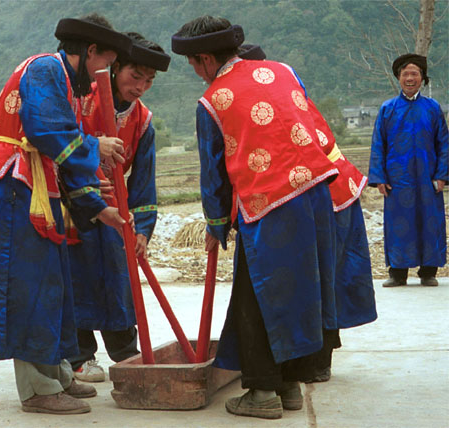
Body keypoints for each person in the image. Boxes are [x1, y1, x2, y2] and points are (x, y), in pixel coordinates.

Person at [171, 17, 340, 419]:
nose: (196, 74)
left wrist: (215, 225)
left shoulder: (213, 101)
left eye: (195, 64)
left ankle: (263, 393)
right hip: (316, 193)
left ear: (207, 59)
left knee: (258, 297)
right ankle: (291, 385)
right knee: (302, 294)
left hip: (269, 204)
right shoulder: (282, 71)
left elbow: (214, 172)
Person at [0, 14, 132, 415]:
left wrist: (98, 208)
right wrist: (96, 145)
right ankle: (37, 388)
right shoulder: (45, 67)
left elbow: (62, 152)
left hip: (39, 180)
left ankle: (57, 374)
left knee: (55, 281)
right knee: (29, 283)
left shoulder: (65, 84)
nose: (100, 78)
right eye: (102, 65)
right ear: (89, 51)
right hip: (16, 186)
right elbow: (44, 132)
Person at [237, 45, 377, 383]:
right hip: (333, 189)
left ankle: (314, 363)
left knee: (317, 282)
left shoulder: (265, 101)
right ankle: (317, 361)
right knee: (324, 282)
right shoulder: (287, 92)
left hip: (326, 194)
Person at [66, 33, 170, 382]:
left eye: (149, 81)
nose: (141, 87)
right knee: (77, 276)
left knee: (119, 277)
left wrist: (143, 229)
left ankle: (125, 352)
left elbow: (143, 179)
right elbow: (62, 147)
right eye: (134, 76)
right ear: (115, 68)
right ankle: (79, 355)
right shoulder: (80, 98)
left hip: (116, 206)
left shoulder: (142, 120)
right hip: (74, 202)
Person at [368, 53, 448, 288]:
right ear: (399, 78)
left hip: (428, 177)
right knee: (398, 224)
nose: (410, 78)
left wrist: (442, 175)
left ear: (422, 78)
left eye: (415, 74)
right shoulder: (387, 109)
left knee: (429, 222)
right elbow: (378, 144)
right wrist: (379, 177)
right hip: (397, 179)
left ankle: (428, 272)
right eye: (406, 74)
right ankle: (398, 273)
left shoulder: (433, 108)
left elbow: (443, 143)